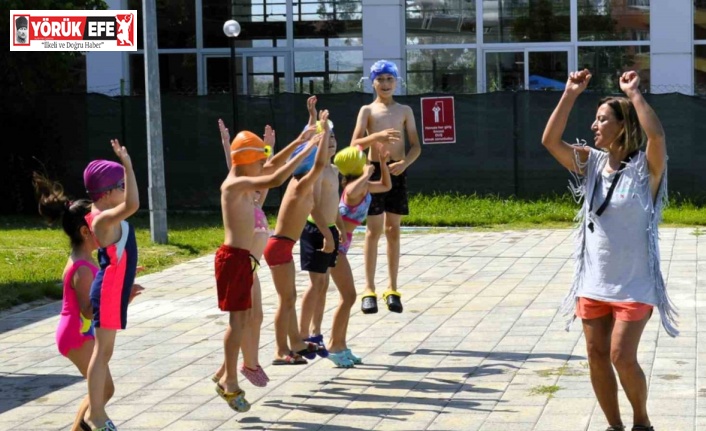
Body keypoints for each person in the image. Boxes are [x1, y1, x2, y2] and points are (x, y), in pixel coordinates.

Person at [542, 69, 676, 431]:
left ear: (623, 125)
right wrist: (570, 93)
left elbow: (657, 135)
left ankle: (642, 422)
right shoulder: (592, 163)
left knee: (621, 355)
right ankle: (614, 426)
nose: (594, 126)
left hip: (635, 284)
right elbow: (550, 141)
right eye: (595, 118)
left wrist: (634, 94)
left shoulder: (646, 167)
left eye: (603, 119)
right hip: (593, 282)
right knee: (596, 356)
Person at [213, 123, 317, 411]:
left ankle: (227, 373)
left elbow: (270, 166)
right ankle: (229, 381)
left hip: (245, 261)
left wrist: (298, 137)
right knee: (237, 324)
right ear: (247, 162)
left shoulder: (245, 180)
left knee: (247, 320)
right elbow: (275, 177)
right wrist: (306, 149)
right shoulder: (234, 185)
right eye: (259, 161)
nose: (264, 165)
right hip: (234, 260)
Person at [30, 172, 143, 431]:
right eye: (96, 227)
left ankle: (83, 426)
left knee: (103, 389)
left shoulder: (88, 261)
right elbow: (90, 312)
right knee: (103, 388)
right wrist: (122, 298)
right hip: (75, 335)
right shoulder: (81, 270)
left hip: (79, 332)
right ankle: (82, 426)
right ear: (85, 231)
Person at [350, 59, 421, 315]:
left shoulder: (404, 110)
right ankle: (368, 289)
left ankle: (392, 288)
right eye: (380, 79)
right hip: (375, 173)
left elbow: (416, 146)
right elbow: (355, 143)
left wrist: (405, 163)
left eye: (389, 79)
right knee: (373, 231)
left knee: (393, 230)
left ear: (396, 81)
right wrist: (376, 137)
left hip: (396, 171)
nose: (385, 84)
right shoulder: (367, 111)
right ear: (373, 83)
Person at [81, 140, 141, 431]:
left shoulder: (104, 212)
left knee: (105, 353)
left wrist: (130, 274)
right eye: (122, 184)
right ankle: (95, 414)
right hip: (107, 292)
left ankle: (96, 412)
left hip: (114, 288)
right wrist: (128, 166)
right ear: (106, 194)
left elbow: (114, 254)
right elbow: (134, 204)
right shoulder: (104, 217)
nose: (125, 188)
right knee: (101, 353)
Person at [264, 111, 331, 366]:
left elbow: (310, 153)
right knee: (286, 300)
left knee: (289, 297)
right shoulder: (301, 183)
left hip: (282, 246)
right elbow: (321, 164)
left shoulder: (299, 182)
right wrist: (322, 135)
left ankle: (297, 343)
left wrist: (313, 120)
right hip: (279, 247)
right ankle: (280, 350)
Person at [325, 145, 391, 367]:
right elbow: (354, 190)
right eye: (362, 160)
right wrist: (366, 173)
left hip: (342, 243)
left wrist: (382, 163)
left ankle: (341, 345)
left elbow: (386, 185)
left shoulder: (362, 186)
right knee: (349, 296)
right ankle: (334, 346)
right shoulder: (353, 189)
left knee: (348, 297)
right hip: (335, 244)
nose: (366, 162)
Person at [297, 113, 343, 361]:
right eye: (327, 137)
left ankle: (316, 333)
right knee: (315, 284)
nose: (332, 141)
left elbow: (333, 204)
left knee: (324, 285)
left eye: (334, 136)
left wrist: (340, 228)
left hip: (330, 230)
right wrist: (327, 234)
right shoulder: (314, 171)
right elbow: (313, 205)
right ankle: (302, 335)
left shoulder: (334, 170)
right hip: (315, 230)